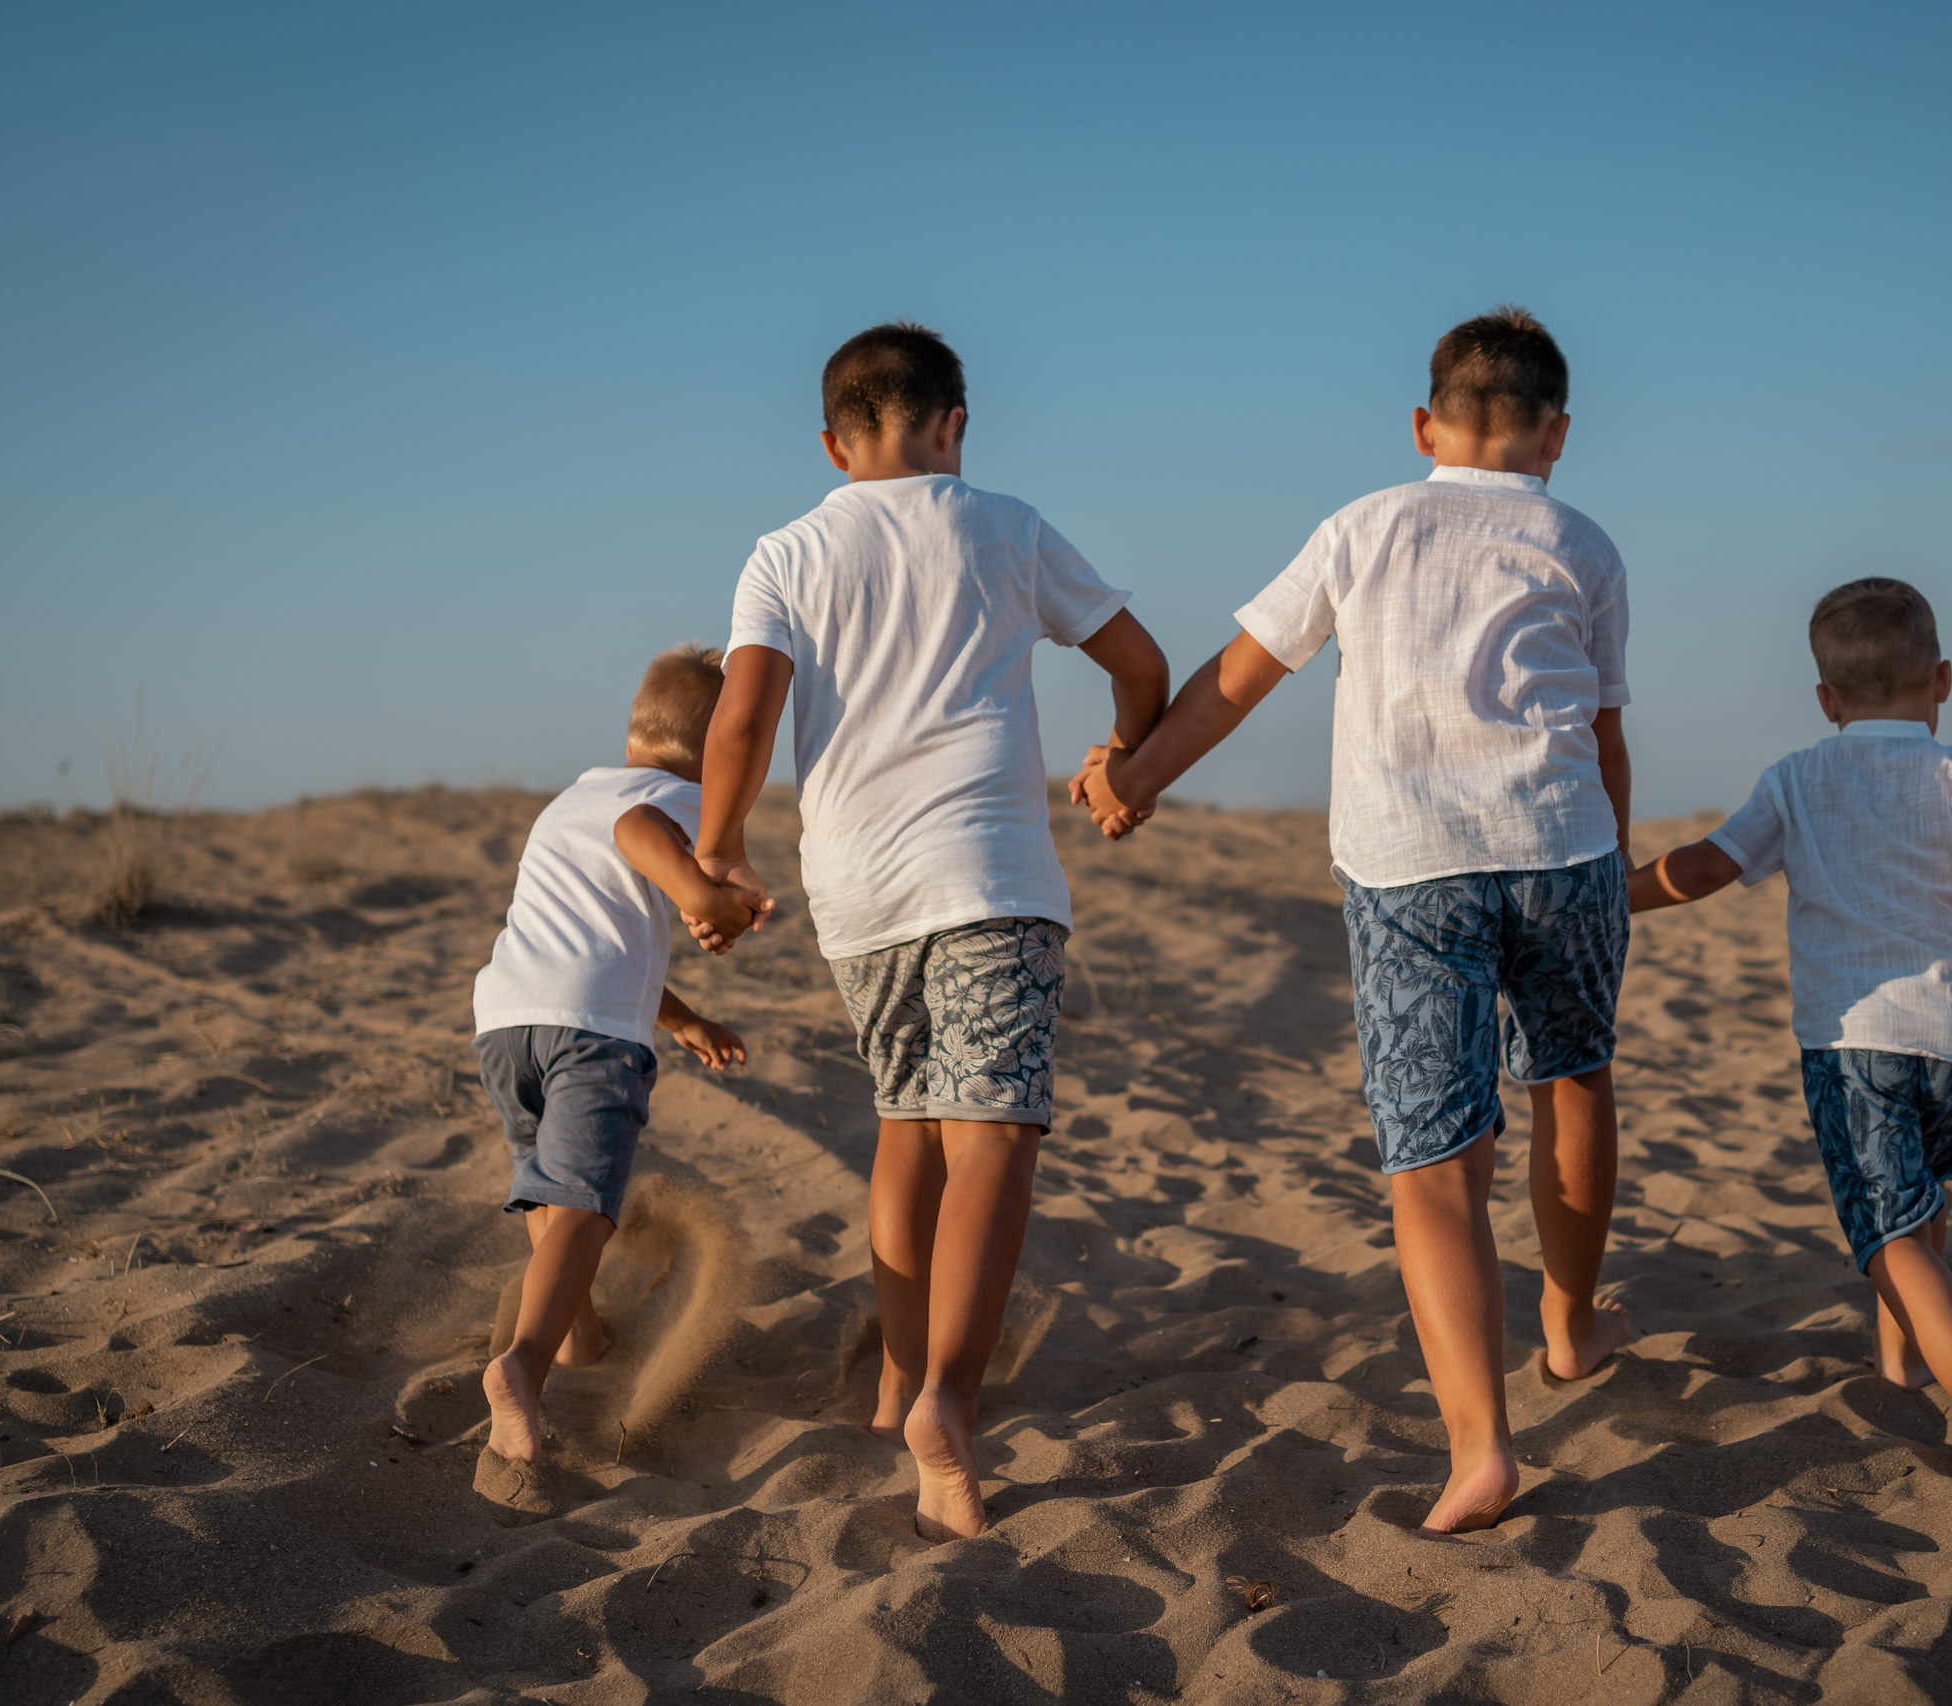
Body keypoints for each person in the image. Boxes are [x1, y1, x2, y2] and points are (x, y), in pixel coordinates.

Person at [1075, 307, 1634, 1533]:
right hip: (1564, 849)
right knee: (1574, 1080)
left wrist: (1133, 775)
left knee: (1432, 1163)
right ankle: (1572, 1325)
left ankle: (1481, 1448)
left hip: (1410, 869)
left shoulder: (1363, 524)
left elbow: (1238, 674)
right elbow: (1601, 731)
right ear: (1557, 433)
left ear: (1425, 425)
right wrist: (1615, 864)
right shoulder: (1579, 540)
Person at [684, 322, 1171, 1541]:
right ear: (954, 423)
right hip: (990, 872)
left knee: (907, 1123)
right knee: (993, 1127)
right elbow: (1140, 659)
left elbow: (741, 716)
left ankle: (901, 1376)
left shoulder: (785, 550)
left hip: (856, 890)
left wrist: (719, 847)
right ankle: (946, 1401)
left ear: (832, 441)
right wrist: (1127, 751)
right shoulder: (1001, 523)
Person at [1626, 577, 1952, 1494]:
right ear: (1941, 679)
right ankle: (1902, 1360)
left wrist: (1612, 894)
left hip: (1854, 1039)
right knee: (1917, 1195)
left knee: (1883, 1221)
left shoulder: (1797, 777)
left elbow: (1708, 866)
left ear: (1826, 700)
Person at [472, 643, 758, 1468]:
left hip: (507, 1022)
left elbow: (595, 944)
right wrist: (705, 896)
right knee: (589, 1204)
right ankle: (523, 1366)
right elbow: (641, 834)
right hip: (590, 1040)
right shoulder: (668, 798)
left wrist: (684, 1019)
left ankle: (577, 1339)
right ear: (719, 749)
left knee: (547, 1192)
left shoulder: (570, 799)